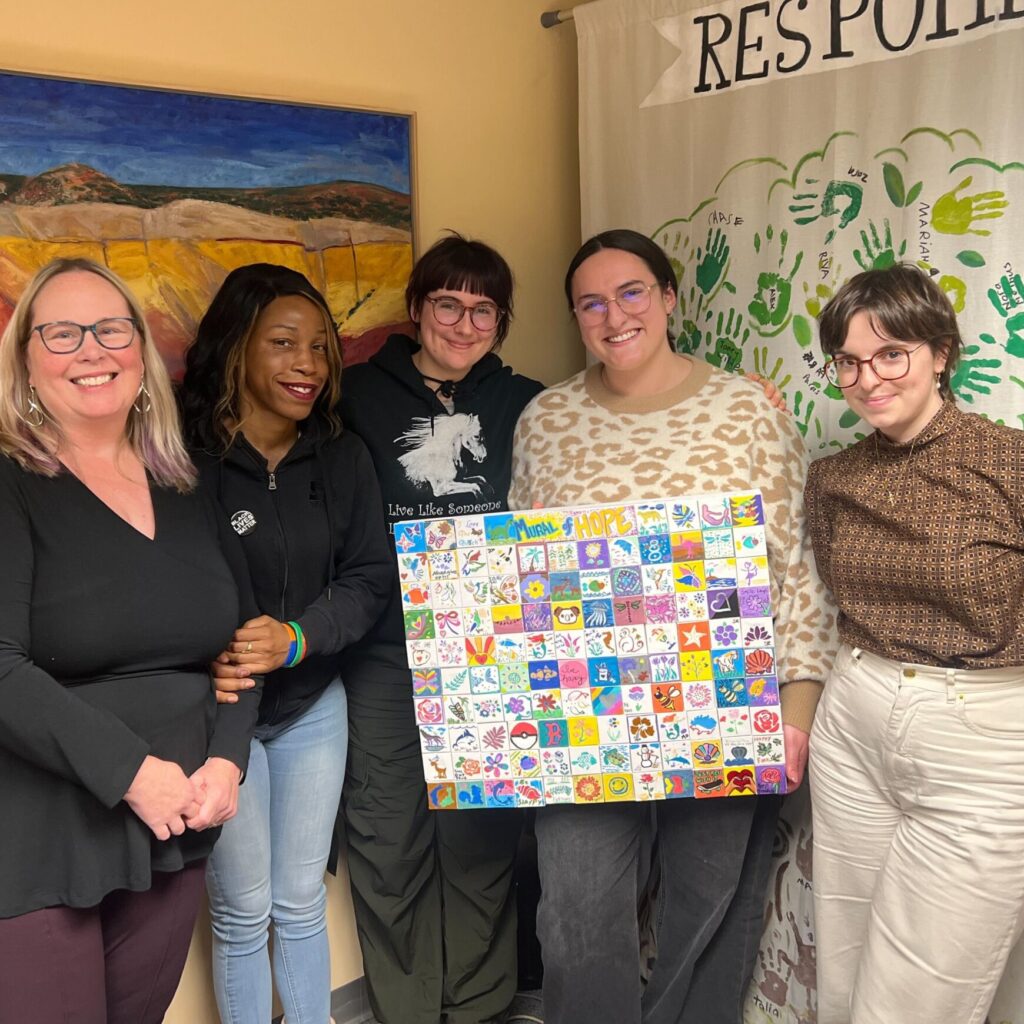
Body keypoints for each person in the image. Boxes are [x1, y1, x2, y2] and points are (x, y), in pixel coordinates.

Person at [507, 228, 835, 1024]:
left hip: (727, 700)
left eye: (631, 293)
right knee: (578, 914)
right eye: (591, 302)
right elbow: (519, 580)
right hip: (584, 713)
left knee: (710, 903)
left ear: (668, 299)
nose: (613, 315)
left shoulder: (746, 411)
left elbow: (795, 569)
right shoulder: (544, 420)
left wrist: (794, 711)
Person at [0, 258, 260, 1024]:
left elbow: (242, 645)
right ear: (25, 360)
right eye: (62, 332)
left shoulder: (185, 483)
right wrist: (131, 773)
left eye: (112, 328)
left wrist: (228, 761)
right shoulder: (10, 483)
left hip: (174, 829)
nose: (92, 350)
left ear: (140, 352)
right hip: (43, 834)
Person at [805, 264, 1024, 1024]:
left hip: (982, 742)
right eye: (848, 361)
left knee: (911, 1003)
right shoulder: (832, 478)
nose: (867, 378)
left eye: (890, 353)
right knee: (842, 975)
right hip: (854, 722)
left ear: (941, 352)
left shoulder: (1009, 463)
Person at [337, 233, 546, 1024]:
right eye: (447, 304)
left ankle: (481, 1005)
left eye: (482, 308)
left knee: (481, 843)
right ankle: (407, 1009)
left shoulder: (528, 401)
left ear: (500, 319)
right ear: (418, 309)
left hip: (487, 654)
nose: (463, 323)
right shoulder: (355, 394)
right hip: (383, 652)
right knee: (387, 837)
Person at [180, 263, 395, 1024]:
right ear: (237, 347)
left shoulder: (341, 457)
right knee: (241, 910)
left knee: (299, 899)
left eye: (320, 347)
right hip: (214, 715)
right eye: (283, 343)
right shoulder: (176, 459)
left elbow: (370, 578)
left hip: (310, 706)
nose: (307, 363)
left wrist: (299, 638)